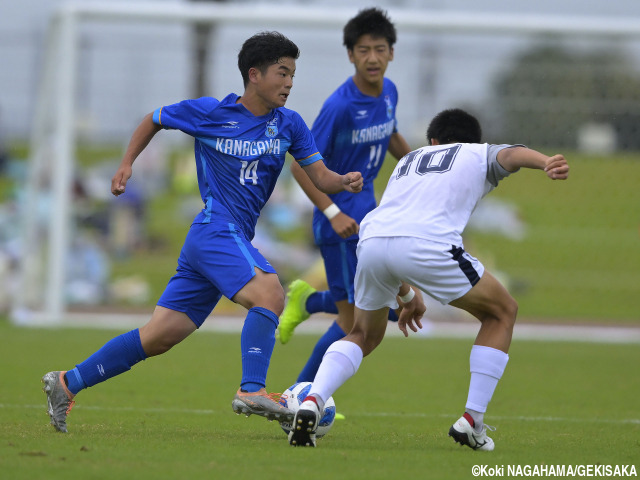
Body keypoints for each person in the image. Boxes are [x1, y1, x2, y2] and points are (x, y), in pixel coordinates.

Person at [41, 31, 363, 434]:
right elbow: (154, 119)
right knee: (270, 293)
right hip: (215, 228)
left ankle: (67, 382)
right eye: (282, 73)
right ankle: (251, 390)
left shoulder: (289, 124)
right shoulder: (211, 113)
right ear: (254, 75)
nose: (289, 83)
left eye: (293, 75)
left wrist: (343, 181)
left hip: (223, 240)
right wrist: (126, 164)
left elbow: (319, 175)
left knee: (159, 336)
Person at [287, 108, 570, 449]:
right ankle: (472, 421)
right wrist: (545, 162)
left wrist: (406, 297)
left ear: (433, 141)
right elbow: (511, 154)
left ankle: (313, 400)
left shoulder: (410, 161)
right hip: (430, 245)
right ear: (473, 141)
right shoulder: (475, 153)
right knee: (501, 311)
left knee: (362, 333)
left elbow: (397, 240)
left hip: (373, 241)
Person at [277, 7, 411, 385]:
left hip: (369, 216)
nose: (372, 57)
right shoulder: (339, 107)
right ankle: (302, 394)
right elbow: (300, 166)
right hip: (339, 223)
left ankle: (308, 303)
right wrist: (333, 211)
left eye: (380, 49)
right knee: (353, 323)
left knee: (380, 312)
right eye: (363, 50)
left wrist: (423, 166)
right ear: (350, 54)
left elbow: (391, 136)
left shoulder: (390, 93)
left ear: (391, 53)